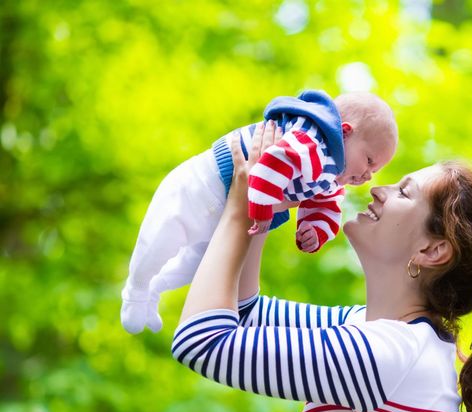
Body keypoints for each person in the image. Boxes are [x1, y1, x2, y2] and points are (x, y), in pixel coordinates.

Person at [172, 124, 472, 412]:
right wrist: (265, 204)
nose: (379, 189)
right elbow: (245, 313)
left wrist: (240, 209)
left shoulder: (389, 354)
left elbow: (201, 341)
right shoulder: (370, 329)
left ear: (433, 249)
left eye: (404, 192)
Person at [121, 90, 398, 334]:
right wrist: (263, 211)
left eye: (375, 171)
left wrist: (314, 231)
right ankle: (136, 291)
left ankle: (154, 290)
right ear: (345, 132)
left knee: (195, 266)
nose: (367, 176)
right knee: (159, 241)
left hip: (224, 215)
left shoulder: (330, 176)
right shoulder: (310, 141)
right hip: (201, 187)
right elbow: (270, 164)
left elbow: (328, 206)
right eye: (369, 160)